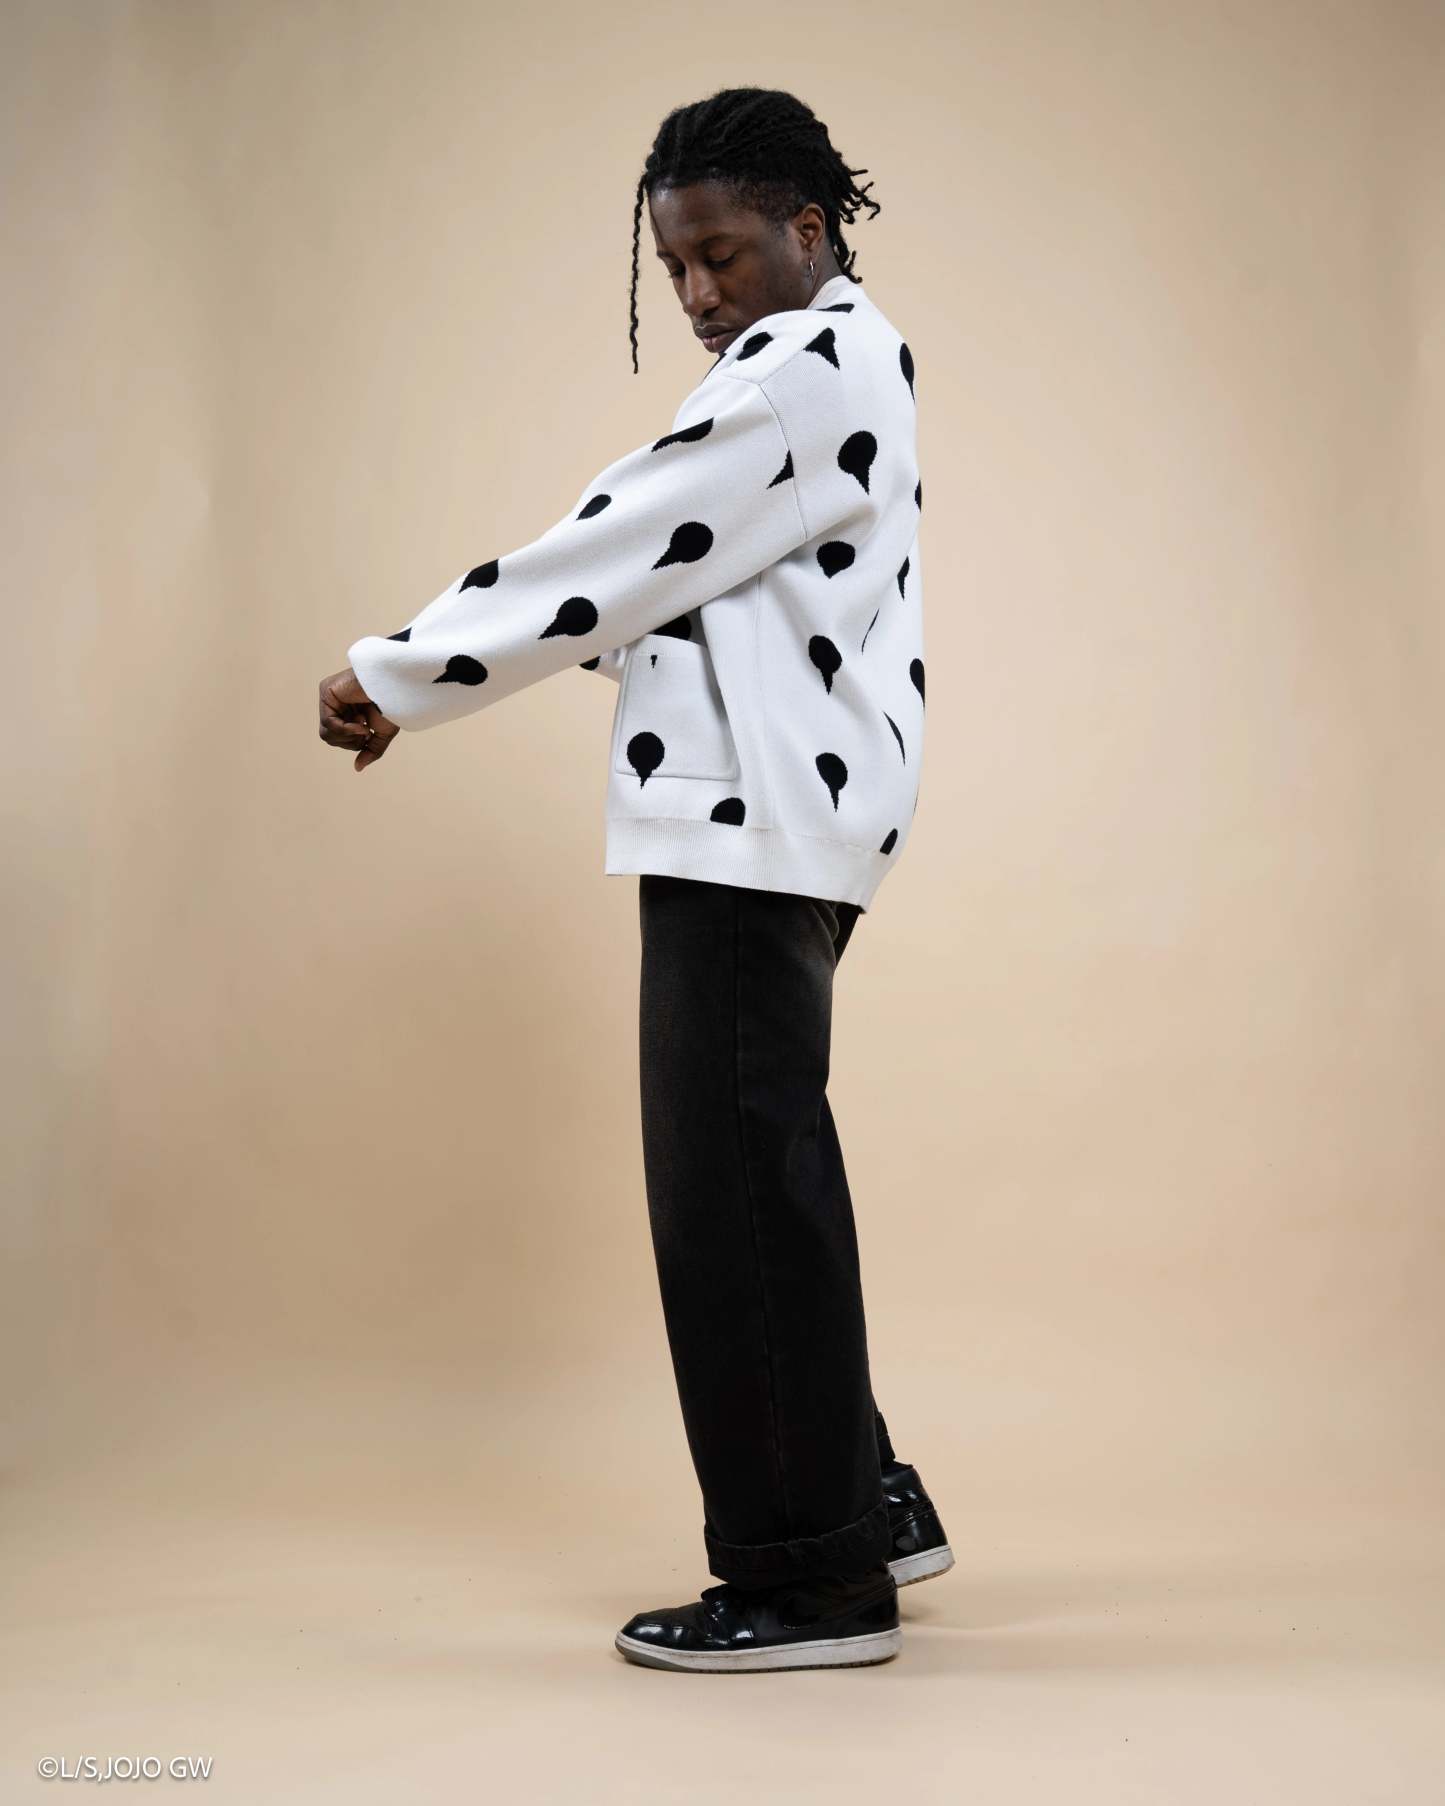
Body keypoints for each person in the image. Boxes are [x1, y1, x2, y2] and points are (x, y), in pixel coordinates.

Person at [319, 85, 952, 1672]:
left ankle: (807, 1581)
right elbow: (693, 584)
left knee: (730, 1195)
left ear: (809, 227)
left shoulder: (796, 368)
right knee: (764, 1166)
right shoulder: (844, 356)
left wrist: (404, 669)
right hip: (791, 815)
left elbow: (622, 543)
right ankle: (864, 1502)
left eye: (722, 253)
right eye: (674, 266)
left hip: (745, 826)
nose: (696, 291)